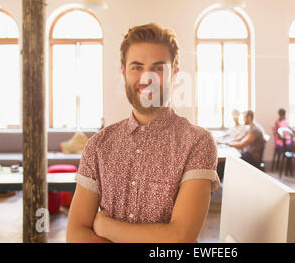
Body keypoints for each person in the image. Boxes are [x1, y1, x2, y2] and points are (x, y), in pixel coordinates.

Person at [66, 23, 220, 243]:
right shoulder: (99, 145)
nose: (147, 78)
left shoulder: (197, 142)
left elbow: (179, 238)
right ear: (123, 72)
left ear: (175, 73)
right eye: (137, 67)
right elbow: (76, 235)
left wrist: (105, 226)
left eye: (158, 68)